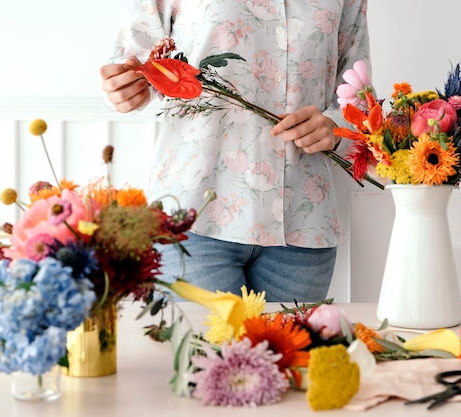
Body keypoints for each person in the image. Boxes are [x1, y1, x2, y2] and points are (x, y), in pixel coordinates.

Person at [100, 1, 372, 302]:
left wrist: (333, 127)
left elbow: (358, 96)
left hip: (303, 231)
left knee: (294, 349)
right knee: (203, 349)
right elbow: (133, 63)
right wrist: (125, 88)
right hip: (195, 221)